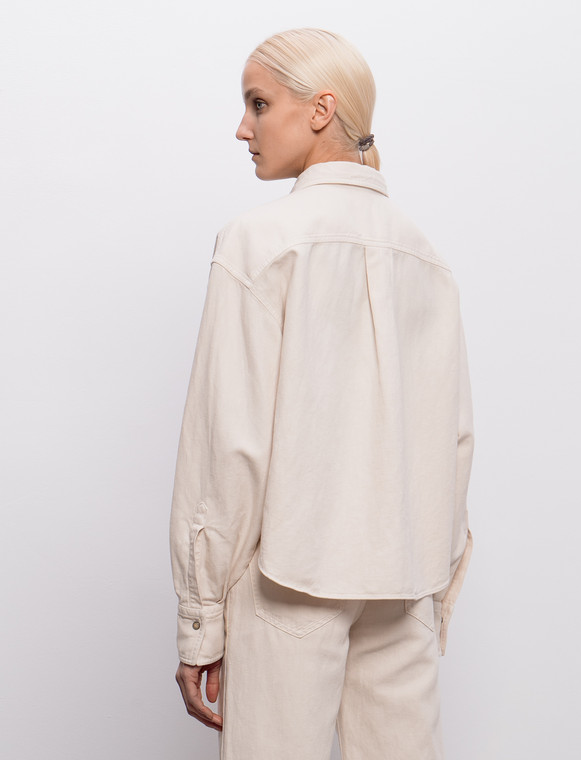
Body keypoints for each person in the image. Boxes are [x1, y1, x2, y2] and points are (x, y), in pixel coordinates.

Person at [169, 27, 474, 760]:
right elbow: (455, 440)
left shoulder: (259, 241)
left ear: (320, 109)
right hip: (403, 584)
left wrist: (201, 619)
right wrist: (437, 585)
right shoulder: (425, 255)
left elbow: (229, 444)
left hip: (288, 583)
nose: (242, 128)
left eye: (258, 103)